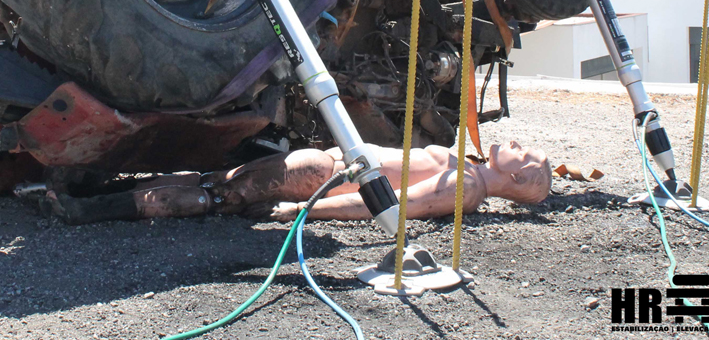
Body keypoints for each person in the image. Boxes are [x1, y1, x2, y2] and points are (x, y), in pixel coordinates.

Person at [45, 141, 552, 225]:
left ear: (519, 175)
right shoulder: (464, 166)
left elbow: (390, 207)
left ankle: (89, 209)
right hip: (323, 166)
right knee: (214, 182)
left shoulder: (465, 186)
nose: (518, 143)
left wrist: (302, 211)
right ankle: (87, 195)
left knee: (216, 194)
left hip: (322, 178)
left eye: (526, 153)